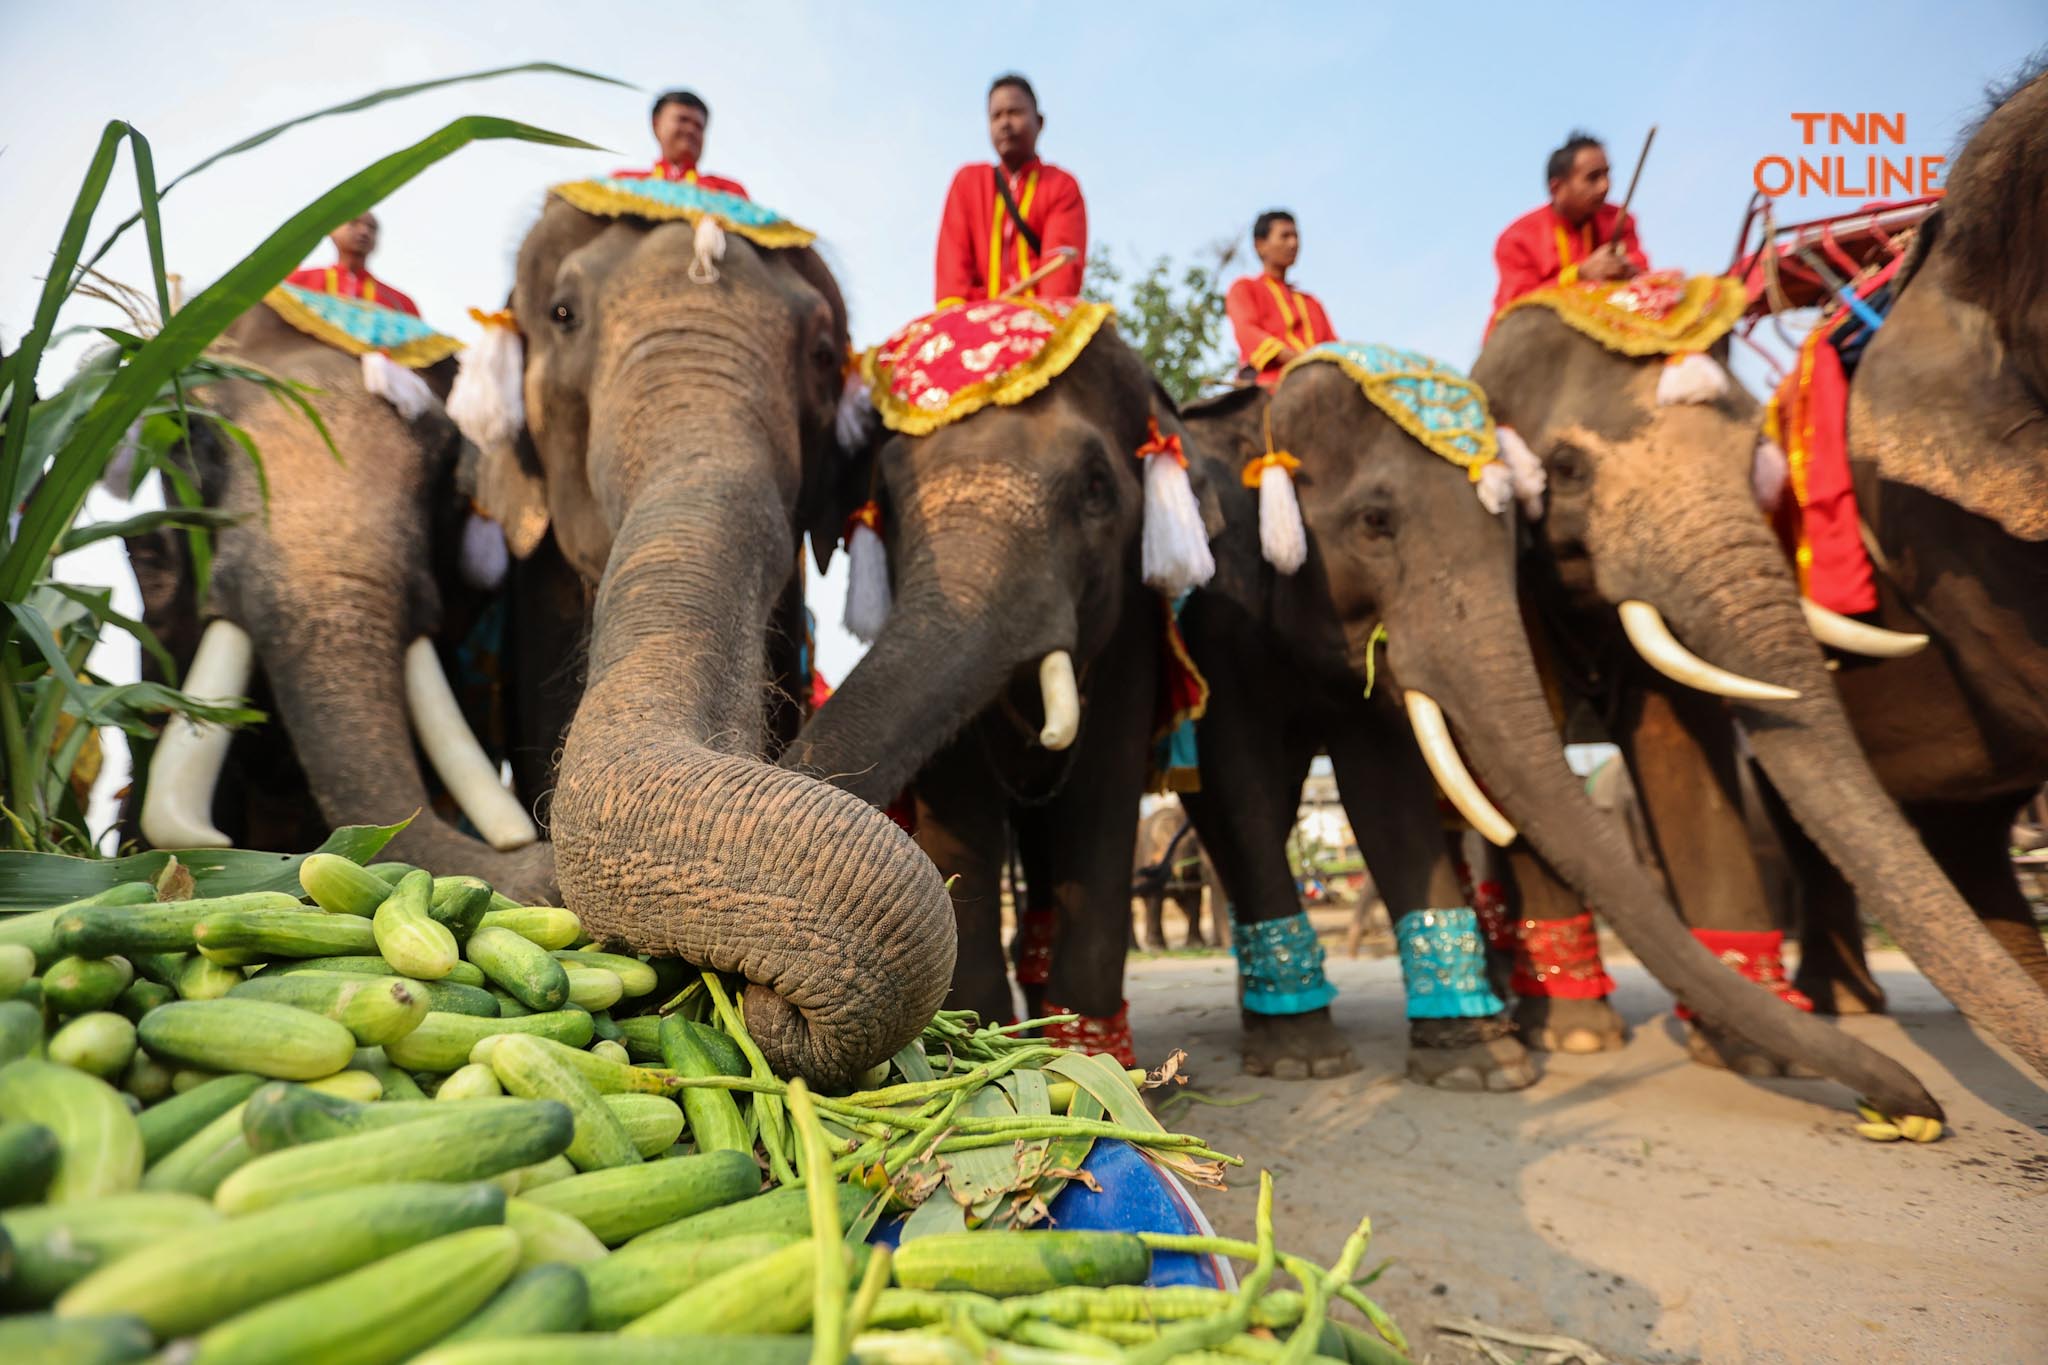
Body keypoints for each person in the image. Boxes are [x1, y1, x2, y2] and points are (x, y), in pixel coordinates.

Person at [934, 73, 1087, 306]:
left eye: (1015, 112)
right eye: (996, 116)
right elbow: (953, 270)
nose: (1005, 123)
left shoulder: (1062, 185)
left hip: (1039, 318)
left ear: (1040, 122)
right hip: (975, 320)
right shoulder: (967, 182)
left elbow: (1060, 280)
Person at [1491, 130, 1649, 316]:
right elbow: (1516, 304)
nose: (1605, 185)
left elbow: (1642, 269)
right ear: (1557, 188)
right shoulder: (1517, 238)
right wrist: (1578, 276)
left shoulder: (1619, 219)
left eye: (1606, 174)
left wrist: (1628, 269)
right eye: (1593, 177)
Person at [1226, 211, 1337, 386]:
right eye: (1285, 236)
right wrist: (1302, 361)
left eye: (1296, 236)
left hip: (1321, 385)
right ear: (1260, 245)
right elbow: (1247, 332)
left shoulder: (1312, 303)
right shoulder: (1245, 289)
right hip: (1270, 386)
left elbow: (1334, 348)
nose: (1293, 243)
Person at [613, 89, 749, 199]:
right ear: (656, 124)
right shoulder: (623, 183)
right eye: (682, 120)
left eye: (699, 126)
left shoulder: (729, 192)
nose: (691, 130)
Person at [284, 212, 419, 316]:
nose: (364, 232)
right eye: (353, 223)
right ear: (332, 231)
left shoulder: (400, 303)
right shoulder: (298, 282)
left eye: (372, 228)